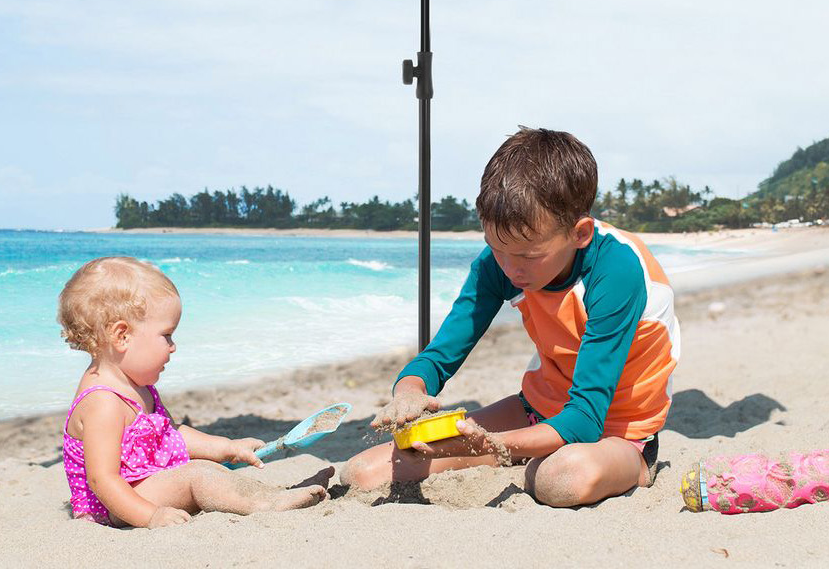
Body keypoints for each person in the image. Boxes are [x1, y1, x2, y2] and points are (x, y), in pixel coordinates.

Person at [340, 128, 681, 507]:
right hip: (538, 410)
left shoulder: (616, 272)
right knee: (364, 473)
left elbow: (585, 418)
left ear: (580, 233)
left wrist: (493, 444)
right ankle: (523, 449)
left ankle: (636, 466)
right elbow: (439, 357)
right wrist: (409, 393)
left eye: (528, 256)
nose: (510, 268)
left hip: (616, 428)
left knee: (559, 480)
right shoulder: (501, 263)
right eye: (496, 248)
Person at [57, 256, 330, 527]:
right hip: (117, 504)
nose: (173, 347)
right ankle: (267, 503)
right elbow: (102, 480)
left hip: (144, 485)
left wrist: (226, 447)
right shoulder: (103, 402)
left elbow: (171, 435)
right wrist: (150, 516)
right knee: (198, 474)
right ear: (122, 336)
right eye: (167, 336)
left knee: (210, 469)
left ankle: (275, 495)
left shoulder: (139, 387)